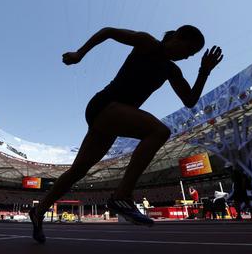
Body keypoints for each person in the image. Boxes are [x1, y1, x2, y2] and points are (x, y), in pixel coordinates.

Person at [29, 25, 223, 243]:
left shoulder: (171, 71)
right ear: (177, 37)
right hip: (105, 105)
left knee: (78, 171)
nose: (188, 56)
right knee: (159, 131)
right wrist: (79, 54)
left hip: (113, 119)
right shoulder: (147, 42)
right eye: (189, 49)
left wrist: (204, 71)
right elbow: (108, 31)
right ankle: (122, 195)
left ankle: (39, 211)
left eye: (193, 54)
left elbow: (189, 100)